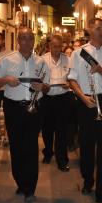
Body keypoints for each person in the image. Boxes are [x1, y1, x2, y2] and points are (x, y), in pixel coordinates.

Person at [0, 28, 50, 202]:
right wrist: (6, 80)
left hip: (34, 107)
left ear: (34, 40)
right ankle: (20, 182)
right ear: (18, 40)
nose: (27, 42)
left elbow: (48, 86)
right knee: (16, 147)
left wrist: (42, 87)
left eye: (30, 38)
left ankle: (30, 188)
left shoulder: (40, 62)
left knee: (31, 147)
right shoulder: (6, 60)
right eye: (23, 38)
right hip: (13, 108)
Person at [68, 18, 102, 203]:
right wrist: (83, 98)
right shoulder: (78, 53)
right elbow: (72, 79)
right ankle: (88, 180)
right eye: (98, 28)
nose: (101, 31)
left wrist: (100, 70)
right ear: (89, 30)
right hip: (86, 100)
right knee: (87, 145)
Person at [40, 35, 73, 171]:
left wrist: (69, 84)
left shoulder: (68, 60)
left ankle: (62, 160)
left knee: (62, 131)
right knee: (47, 129)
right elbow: (38, 77)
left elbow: (72, 77)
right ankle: (48, 152)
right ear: (49, 46)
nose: (57, 49)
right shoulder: (42, 60)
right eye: (54, 46)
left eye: (60, 46)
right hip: (47, 98)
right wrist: (44, 86)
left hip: (63, 98)